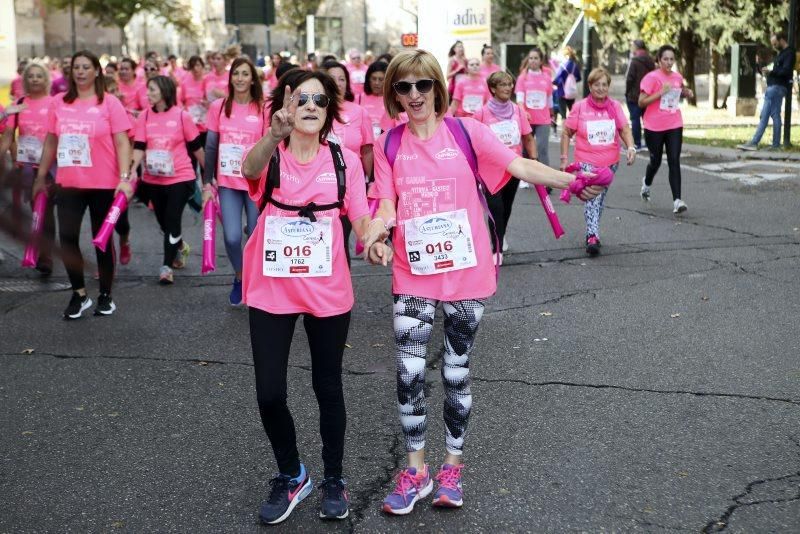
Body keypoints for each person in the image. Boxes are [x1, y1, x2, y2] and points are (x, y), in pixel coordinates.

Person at [362, 49, 599, 515]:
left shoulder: (466, 132)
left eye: (422, 85)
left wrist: (568, 178)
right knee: (409, 373)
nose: (414, 95)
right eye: (404, 87)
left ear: (437, 87)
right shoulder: (390, 145)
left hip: (468, 274)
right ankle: (415, 471)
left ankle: (451, 467)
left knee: (455, 370)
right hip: (413, 272)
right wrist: (376, 234)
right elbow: (384, 204)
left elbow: (518, 166)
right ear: (394, 94)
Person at [240, 68, 391, 524]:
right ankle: (291, 474)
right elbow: (247, 170)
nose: (309, 106)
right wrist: (272, 135)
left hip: (328, 291)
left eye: (319, 101)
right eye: (301, 99)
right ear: (286, 107)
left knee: (327, 387)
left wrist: (373, 240)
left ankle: (334, 478)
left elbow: (362, 217)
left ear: (330, 112)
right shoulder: (272, 155)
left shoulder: (342, 161)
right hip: (272, 288)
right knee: (269, 393)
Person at [32, 50, 132, 319]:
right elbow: (51, 141)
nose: (80, 71)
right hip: (69, 182)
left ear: (96, 71)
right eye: (76, 67)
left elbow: (123, 142)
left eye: (86, 67)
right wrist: (41, 176)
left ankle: (106, 295)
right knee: (67, 239)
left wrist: (124, 179)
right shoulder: (59, 103)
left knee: (101, 241)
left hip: (104, 182)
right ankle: (79, 294)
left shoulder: (109, 103)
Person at [202, 57, 267, 304]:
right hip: (227, 183)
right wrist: (207, 182)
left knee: (254, 234)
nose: (239, 78)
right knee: (231, 237)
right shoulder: (219, 106)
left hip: (254, 183)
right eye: (236, 74)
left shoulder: (262, 108)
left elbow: (268, 146)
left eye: (244, 74)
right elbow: (210, 147)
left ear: (253, 79)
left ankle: (254, 279)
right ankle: (240, 276)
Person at [128, 75, 203, 284]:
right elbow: (139, 147)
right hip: (153, 179)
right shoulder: (144, 116)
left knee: (172, 220)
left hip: (180, 177)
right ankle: (180, 246)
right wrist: (131, 171)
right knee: (163, 222)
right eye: (147, 89)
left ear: (164, 91)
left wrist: (209, 177)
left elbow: (197, 147)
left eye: (152, 89)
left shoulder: (181, 116)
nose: (148, 93)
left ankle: (166, 266)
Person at [561, 67, 636, 256]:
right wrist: (564, 159)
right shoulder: (580, 107)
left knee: (599, 199)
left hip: (610, 163)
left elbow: (625, 129)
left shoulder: (615, 107)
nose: (601, 88)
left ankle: (592, 230)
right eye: (597, 85)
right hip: (587, 161)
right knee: (592, 197)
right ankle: (592, 236)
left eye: (604, 85)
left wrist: (631, 147)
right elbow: (566, 132)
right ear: (590, 86)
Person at [472, 70, 537, 262]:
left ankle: (499, 235)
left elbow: (527, 137)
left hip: (513, 167)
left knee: (506, 208)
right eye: (503, 84)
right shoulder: (481, 113)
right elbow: (472, 142)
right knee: (495, 208)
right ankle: (497, 249)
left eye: (510, 84)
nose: (508, 87)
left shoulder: (517, 111)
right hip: (490, 170)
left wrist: (533, 161)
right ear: (493, 88)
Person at [320, 60, 375, 263]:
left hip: (349, 183)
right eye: (332, 78)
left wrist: (371, 180)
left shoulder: (359, 112)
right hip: (320, 183)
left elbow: (367, 149)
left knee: (341, 237)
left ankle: (341, 289)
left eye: (342, 79)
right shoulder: (316, 110)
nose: (338, 83)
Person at [0, 63, 51, 273]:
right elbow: (8, 136)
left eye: (39, 76)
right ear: (25, 80)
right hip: (27, 166)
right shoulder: (20, 104)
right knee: (35, 210)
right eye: (31, 76)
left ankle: (45, 257)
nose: (35, 79)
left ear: (46, 79)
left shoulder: (54, 103)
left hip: (51, 167)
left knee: (47, 212)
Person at [638, 44, 693, 214]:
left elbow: (678, 92)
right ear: (659, 60)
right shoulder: (651, 78)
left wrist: (686, 92)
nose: (669, 62)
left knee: (674, 160)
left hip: (674, 123)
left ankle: (677, 201)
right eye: (665, 59)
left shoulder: (677, 77)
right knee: (655, 161)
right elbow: (641, 102)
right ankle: (646, 183)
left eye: (671, 59)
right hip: (653, 125)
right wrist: (660, 92)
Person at [737, 31, 796, 151]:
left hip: (777, 88)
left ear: (781, 40)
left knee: (772, 115)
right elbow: (773, 72)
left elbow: (786, 71)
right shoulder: (781, 54)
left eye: (775, 43)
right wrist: (761, 66)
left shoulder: (789, 53)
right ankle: (764, 143)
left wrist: (771, 72)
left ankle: (766, 144)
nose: (774, 46)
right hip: (772, 87)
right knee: (768, 115)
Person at [516, 47, 554, 169]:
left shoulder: (546, 78)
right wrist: (523, 112)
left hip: (543, 120)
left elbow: (550, 100)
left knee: (542, 148)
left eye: (536, 58)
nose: (533, 60)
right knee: (526, 150)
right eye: (531, 58)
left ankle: (546, 178)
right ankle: (524, 176)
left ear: (540, 61)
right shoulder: (523, 78)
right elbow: (520, 100)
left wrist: (552, 114)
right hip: (527, 119)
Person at [625, 39, 655, 151]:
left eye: (632, 46)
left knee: (635, 119)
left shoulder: (635, 61)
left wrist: (627, 92)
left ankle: (637, 143)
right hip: (648, 95)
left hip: (634, 95)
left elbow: (630, 79)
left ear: (636, 47)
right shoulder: (651, 61)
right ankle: (648, 143)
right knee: (647, 119)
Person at [357, 60, 391, 139]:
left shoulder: (393, 100)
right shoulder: (358, 99)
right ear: (368, 79)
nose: (376, 83)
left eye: (381, 79)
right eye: (374, 78)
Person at [553, 46, 581, 135]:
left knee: (563, 114)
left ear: (565, 55)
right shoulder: (574, 66)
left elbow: (557, 79)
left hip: (562, 92)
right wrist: (571, 82)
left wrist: (554, 82)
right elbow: (579, 78)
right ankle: (574, 133)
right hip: (571, 93)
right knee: (572, 113)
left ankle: (565, 134)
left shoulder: (562, 66)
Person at [182, 55, 209, 133]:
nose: (195, 68)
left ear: (202, 66)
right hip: (190, 124)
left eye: (197, 65)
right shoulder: (185, 83)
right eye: (192, 66)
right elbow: (181, 101)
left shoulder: (208, 81)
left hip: (205, 124)